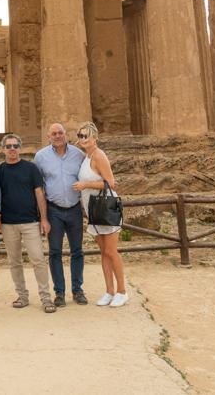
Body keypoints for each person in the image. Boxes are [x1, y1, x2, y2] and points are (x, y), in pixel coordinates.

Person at [0, 133, 55, 313]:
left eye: (15, 146)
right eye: (8, 146)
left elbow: (39, 194)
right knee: (14, 262)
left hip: (30, 222)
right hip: (8, 224)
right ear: (3, 149)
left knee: (38, 259)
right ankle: (22, 296)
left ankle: (46, 298)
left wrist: (43, 219)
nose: (12, 149)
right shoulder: (0, 170)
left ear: (19, 148)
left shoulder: (31, 168)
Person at [73, 122, 127, 308]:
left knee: (112, 251)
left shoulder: (99, 155)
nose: (83, 139)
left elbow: (111, 183)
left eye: (86, 136)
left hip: (106, 208)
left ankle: (122, 291)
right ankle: (109, 291)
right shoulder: (86, 157)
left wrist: (85, 185)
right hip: (93, 210)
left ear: (95, 138)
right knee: (103, 252)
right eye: (80, 136)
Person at [34, 122, 88, 307]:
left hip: (74, 209)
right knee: (55, 252)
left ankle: (77, 290)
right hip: (54, 210)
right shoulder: (40, 157)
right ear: (48, 136)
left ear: (65, 134)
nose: (57, 136)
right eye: (54, 134)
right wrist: (43, 217)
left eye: (60, 133)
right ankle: (59, 293)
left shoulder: (78, 154)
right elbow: (38, 187)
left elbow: (87, 177)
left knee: (77, 251)